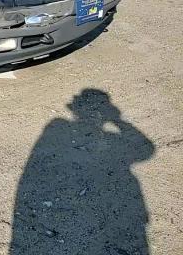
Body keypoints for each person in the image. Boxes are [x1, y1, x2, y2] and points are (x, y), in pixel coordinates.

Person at [10, 89, 155, 254]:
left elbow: (146, 151)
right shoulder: (60, 128)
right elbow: (145, 151)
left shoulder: (58, 127)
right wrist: (117, 120)